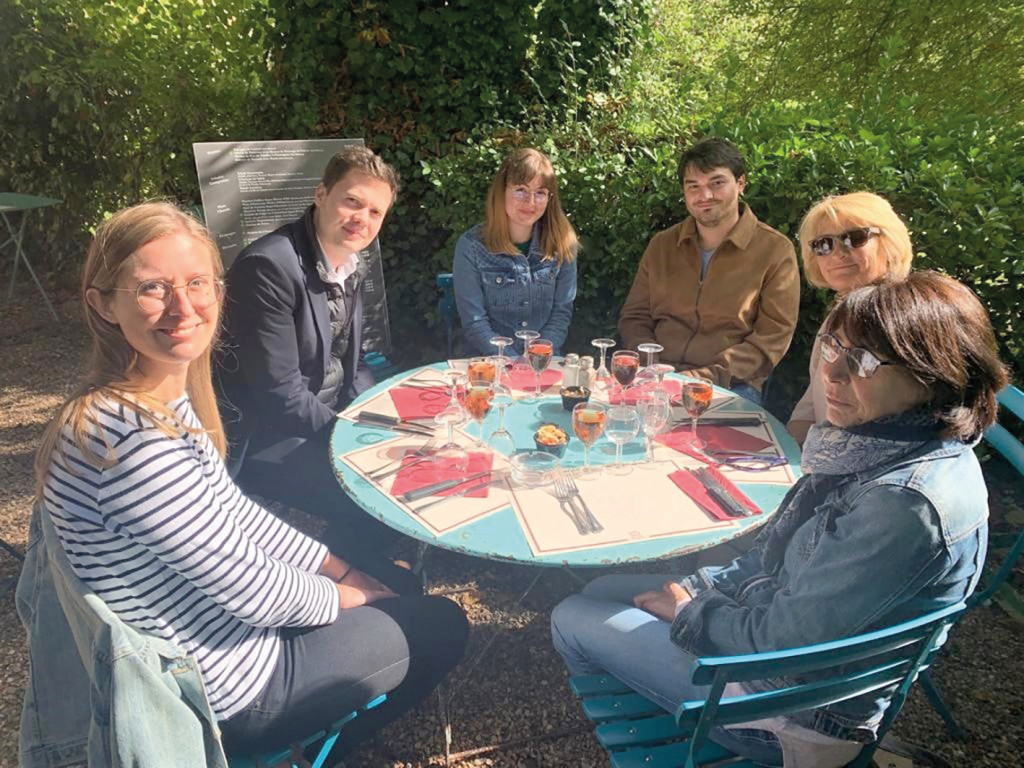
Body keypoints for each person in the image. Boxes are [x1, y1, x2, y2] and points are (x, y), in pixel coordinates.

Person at [30, 202, 468, 758]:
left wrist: (347, 572)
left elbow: (238, 516)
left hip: (218, 639)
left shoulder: (148, 402)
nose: (183, 306)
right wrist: (353, 596)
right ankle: (305, 752)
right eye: (152, 288)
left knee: (395, 584)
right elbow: (254, 593)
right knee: (445, 624)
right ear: (103, 304)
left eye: (196, 283)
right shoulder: (130, 444)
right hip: (227, 691)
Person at [553, 271, 1007, 768]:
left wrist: (688, 613)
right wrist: (699, 585)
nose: (831, 374)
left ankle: (660, 736)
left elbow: (780, 643)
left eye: (863, 361)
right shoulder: (881, 446)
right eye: (834, 347)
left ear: (934, 376)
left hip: (789, 716)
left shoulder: (903, 505)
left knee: (569, 616)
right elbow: (775, 563)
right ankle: (656, 693)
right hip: (773, 653)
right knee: (600, 591)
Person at [216, 145, 399, 568]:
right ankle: (346, 583)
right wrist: (348, 439)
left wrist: (373, 419)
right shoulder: (268, 267)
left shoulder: (351, 261)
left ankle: (359, 564)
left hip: (319, 420)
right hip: (263, 438)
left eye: (375, 212)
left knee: (397, 467)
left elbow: (354, 366)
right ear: (321, 195)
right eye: (352, 201)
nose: (362, 219)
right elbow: (278, 395)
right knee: (371, 493)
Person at [618, 137, 800, 404]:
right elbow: (635, 316)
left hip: (729, 386)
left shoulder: (774, 250)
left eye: (717, 183)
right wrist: (650, 364)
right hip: (656, 375)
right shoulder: (663, 245)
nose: (704, 196)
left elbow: (771, 340)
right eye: (694, 186)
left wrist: (699, 377)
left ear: (740, 183)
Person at [787, 192, 914, 444]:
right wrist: (780, 455)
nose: (837, 254)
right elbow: (813, 402)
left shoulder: (900, 322)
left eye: (854, 238)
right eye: (823, 244)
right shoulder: (839, 315)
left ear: (889, 242)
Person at [453, 148, 579, 356]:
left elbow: (561, 314)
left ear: (550, 199)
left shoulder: (563, 244)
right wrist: (513, 362)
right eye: (520, 190)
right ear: (501, 192)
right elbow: (475, 323)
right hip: (489, 365)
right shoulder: (471, 246)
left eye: (540, 193)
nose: (530, 202)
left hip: (543, 361)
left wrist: (536, 357)